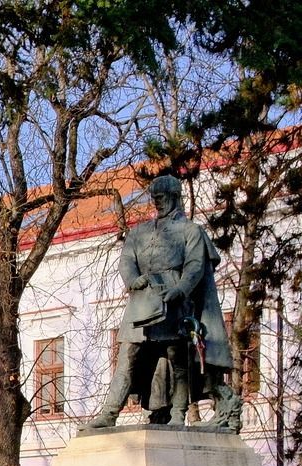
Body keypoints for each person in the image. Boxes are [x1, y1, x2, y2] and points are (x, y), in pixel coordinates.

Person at [86, 175, 236, 430]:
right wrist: (133, 279)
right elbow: (127, 260)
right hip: (141, 302)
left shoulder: (191, 231)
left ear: (175, 197)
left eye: (162, 198)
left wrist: (180, 289)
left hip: (173, 303)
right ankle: (109, 413)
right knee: (126, 359)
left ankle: (178, 413)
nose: (158, 203)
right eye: (154, 198)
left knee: (177, 361)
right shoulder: (139, 232)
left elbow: (195, 266)